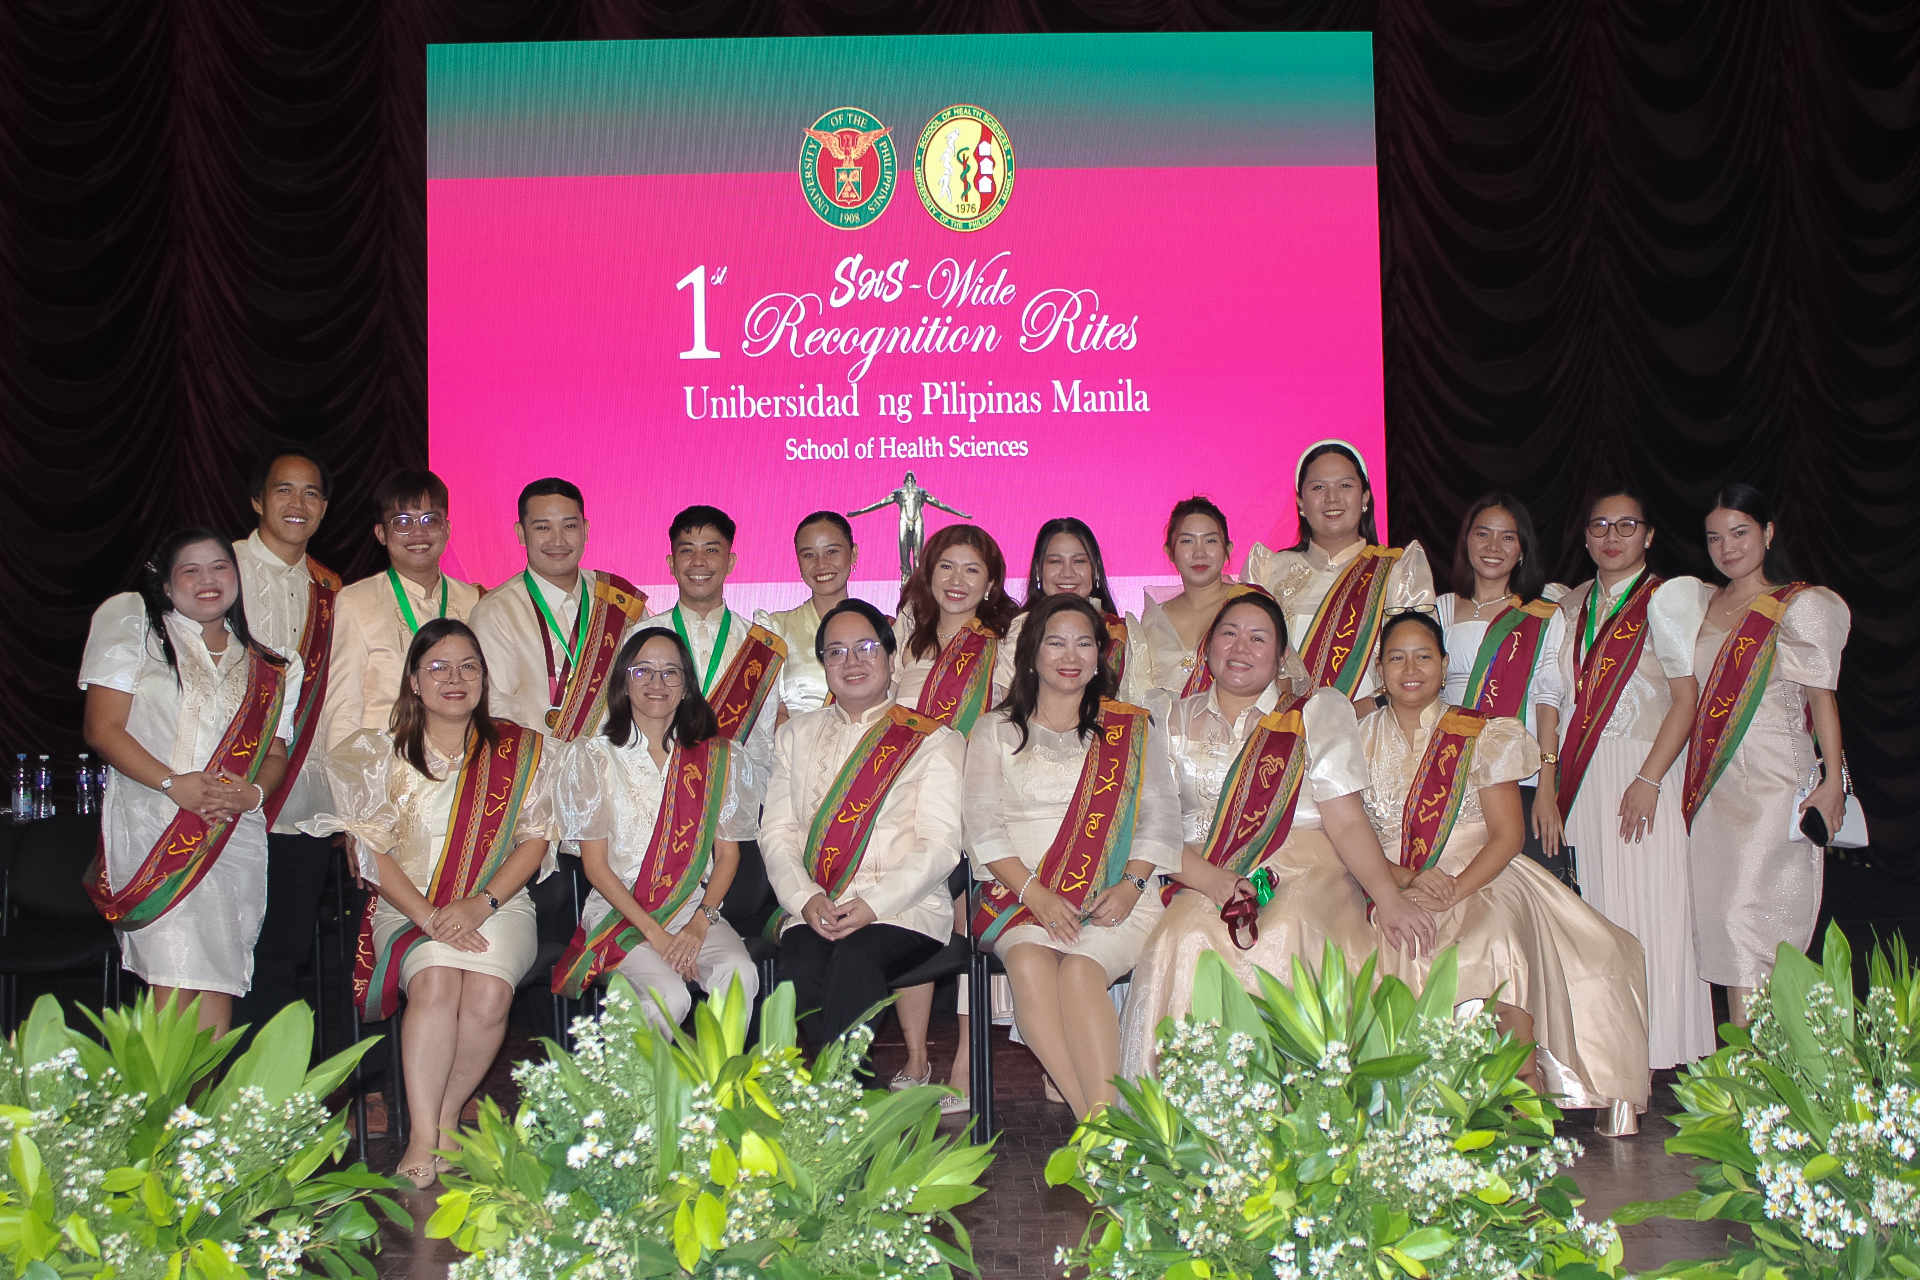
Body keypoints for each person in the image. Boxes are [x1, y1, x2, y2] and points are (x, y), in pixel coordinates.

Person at [1119, 592, 1436, 1079]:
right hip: (1203, 869)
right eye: (1229, 634)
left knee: (1284, 928)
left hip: (1304, 866)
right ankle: (1195, 1103)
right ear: (1208, 646)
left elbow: (1347, 821)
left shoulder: (1315, 714)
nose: (1240, 648)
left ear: (1282, 656)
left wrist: (1389, 898)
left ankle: (1293, 1099)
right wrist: (1211, 880)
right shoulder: (1167, 717)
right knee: (1183, 936)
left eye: (1258, 638)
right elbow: (1151, 825)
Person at [1359, 612, 1651, 1136]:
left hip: (1483, 872)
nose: (1411, 668)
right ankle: (1421, 1101)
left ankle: (1520, 1085)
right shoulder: (1355, 741)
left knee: (1494, 938)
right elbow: (1346, 835)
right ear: (1379, 670)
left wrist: (1453, 889)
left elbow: (1507, 836)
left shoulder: (1482, 732)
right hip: (1389, 877)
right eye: (1397, 658)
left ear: (1445, 664)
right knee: (1388, 942)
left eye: (1424, 656)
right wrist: (1403, 879)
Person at [306, 619, 556, 1187]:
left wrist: (479, 904)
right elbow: (372, 854)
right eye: (438, 667)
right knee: (437, 982)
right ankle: (423, 1135)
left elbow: (535, 840)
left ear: (484, 679)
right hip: (408, 905)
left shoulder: (519, 751)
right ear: (414, 681)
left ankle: (446, 1115)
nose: (454, 678)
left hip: (498, 902)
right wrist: (431, 917)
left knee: (488, 995)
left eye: (468, 666)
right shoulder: (376, 754)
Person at [967, 595, 1181, 1118]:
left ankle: (1101, 1131)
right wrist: (1037, 896)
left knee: (1080, 971)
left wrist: (1131, 886)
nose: (1071, 655)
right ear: (1031, 653)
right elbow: (983, 828)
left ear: (1100, 655)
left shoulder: (1132, 728)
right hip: (1022, 894)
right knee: (1028, 965)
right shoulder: (994, 729)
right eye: (1056, 642)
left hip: (1118, 895)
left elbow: (1159, 820)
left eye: (1084, 643)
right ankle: (1103, 1127)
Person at [80, 529, 300, 1036]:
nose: (208, 579)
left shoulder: (272, 665)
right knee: (173, 975)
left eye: (220, 567)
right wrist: (172, 783)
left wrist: (255, 793)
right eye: (191, 570)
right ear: (166, 582)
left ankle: (206, 1092)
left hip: (232, 835)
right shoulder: (134, 624)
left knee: (218, 979)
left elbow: (275, 751)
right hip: (156, 828)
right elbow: (102, 728)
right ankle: (168, 1091)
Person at [762, 600, 965, 1071]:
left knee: (854, 961)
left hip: (903, 908)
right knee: (800, 965)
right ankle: (851, 1093)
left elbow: (939, 846)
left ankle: (838, 1095)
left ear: (891, 657)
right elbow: (777, 832)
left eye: (866, 648)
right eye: (836, 652)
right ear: (823, 664)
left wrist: (873, 904)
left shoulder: (934, 741)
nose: (852, 662)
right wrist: (804, 897)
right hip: (820, 903)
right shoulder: (795, 736)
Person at [1556, 486, 1714, 1071]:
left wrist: (1648, 779)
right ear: (1585, 536)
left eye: (1627, 525)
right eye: (1600, 525)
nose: (1613, 537)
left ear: (1648, 535)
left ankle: (1660, 1046)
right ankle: (1608, 1053)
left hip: (1647, 772)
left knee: (1653, 906)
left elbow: (1686, 700)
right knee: (1599, 910)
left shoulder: (1667, 600)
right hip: (1585, 774)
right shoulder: (1568, 604)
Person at [1683, 485, 1851, 1027]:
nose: (1727, 547)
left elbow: (1822, 699)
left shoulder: (1798, 605)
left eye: (1740, 532)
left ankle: (1771, 1060)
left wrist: (1832, 781)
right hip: (1713, 785)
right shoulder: (1701, 603)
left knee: (1750, 922)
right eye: (1715, 537)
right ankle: (1747, 1064)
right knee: (1722, 928)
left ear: (1768, 532)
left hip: (1775, 783)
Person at [552, 628, 759, 1028]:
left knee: (739, 974)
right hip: (619, 911)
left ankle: (720, 1071)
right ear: (624, 682)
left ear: (686, 687)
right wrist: (658, 935)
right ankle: (638, 1073)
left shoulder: (717, 759)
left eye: (670, 672)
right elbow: (595, 867)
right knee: (668, 997)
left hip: (691, 907)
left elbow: (727, 856)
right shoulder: (593, 759)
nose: (656, 682)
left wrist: (698, 924)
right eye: (643, 670)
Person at [230, 450, 343, 1033]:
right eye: (284, 490)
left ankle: (267, 1082)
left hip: (301, 803)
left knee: (282, 950)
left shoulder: (332, 589)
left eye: (311, 493)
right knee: (220, 950)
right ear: (257, 500)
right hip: (223, 793)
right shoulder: (219, 570)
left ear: (323, 508)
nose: (298, 504)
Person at [1243, 440, 1434, 703]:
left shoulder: (1399, 571)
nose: (1332, 498)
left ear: (1364, 497)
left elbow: (1420, 664)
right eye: (1318, 487)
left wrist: (1359, 713)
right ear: (1300, 501)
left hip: (1370, 721)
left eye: (1345, 485)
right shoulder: (1267, 570)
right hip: (1278, 722)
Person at [1437, 495, 1570, 869]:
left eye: (1508, 537)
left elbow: (1547, 701)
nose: (1493, 546)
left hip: (1518, 776)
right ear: (1466, 542)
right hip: (1450, 772)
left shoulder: (1543, 616)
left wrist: (1546, 788)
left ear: (1523, 550)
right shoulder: (1439, 609)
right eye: (1483, 534)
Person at [469, 478, 648, 743]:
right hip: (534, 763)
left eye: (569, 526)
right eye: (543, 527)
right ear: (521, 533)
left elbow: (648, 689)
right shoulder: (495, 611)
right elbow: (496, 710)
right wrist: (551, 763)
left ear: (586, 529)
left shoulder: (618, 600)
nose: (558, 540)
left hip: (617, 760)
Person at [323, 469, 483, 752]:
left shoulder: (474, 601)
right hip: (384, 763)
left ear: (447, 529)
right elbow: (342, 710)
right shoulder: (356, 602)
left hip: (461, 760)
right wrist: (351, 773)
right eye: (403, 522)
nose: (418, 532)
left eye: (430, 520)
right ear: (381, 534)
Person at [659, 506, 783, 794]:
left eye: (712, 550)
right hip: (660, 797)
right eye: (687, 551)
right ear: (671, 563)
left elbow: (765, 736)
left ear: (730, 562)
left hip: (739, 799)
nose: (698, 561)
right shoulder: (642, 637)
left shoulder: (758, 643)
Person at [1129, 497, 1269, 704]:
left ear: (1228, 549)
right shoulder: (1154, 619)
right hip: (1166, 724)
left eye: (1210, 541)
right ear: (1170, 552)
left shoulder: (1253, 605)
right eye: (1187, 541)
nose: (1199, 553)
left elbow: (1281, 679)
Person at [892, 523, 1022, 730]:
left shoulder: (1005, 641)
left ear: (989, 583)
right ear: (929, 572)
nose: (956, 580)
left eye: (971, 570)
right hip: (904, 749)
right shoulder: (909, 626)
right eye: (946, 567)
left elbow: (1014, 721)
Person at [756, 511, 859, 726]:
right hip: (795, 745)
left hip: (866, 746)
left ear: (853, 554)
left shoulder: (880, 629)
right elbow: (770, 714)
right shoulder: (775, 629)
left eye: (832, 551)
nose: (821, 564)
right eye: (809, 555)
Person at [1023, 517, 1134, 697]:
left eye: (1079, 561)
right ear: (1038, 569)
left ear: (1095, 568)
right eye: (1055, 561)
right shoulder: (1016, 632)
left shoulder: (1124, 635)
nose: (1067, 573)